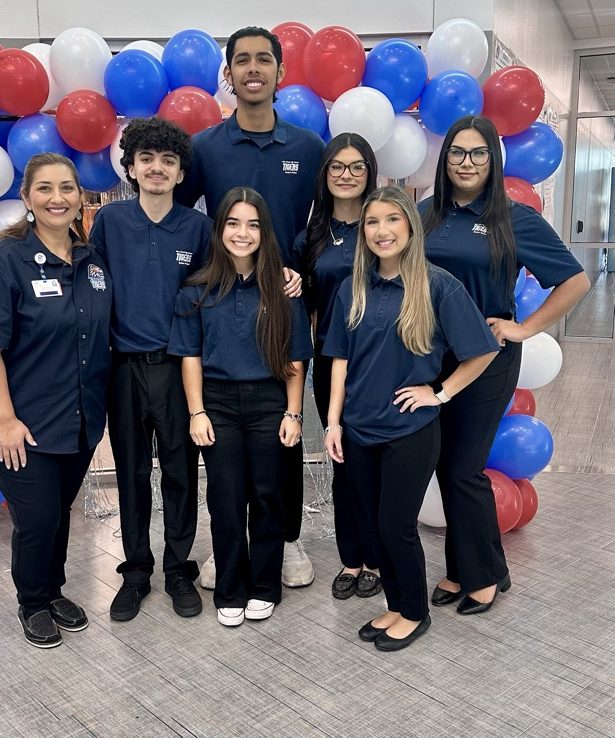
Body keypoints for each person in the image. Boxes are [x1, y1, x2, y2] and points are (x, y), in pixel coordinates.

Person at [420, 115, 590, 614]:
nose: (466, 162)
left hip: (487, 357)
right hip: (433, 356)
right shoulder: (426, 212)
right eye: (457, 152)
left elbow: (574, 281)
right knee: (445, 465)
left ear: (493, 161)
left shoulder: (513, 218)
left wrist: (524, 327)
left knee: (462, 468)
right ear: (444, 158)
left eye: (478, 153)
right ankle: (480, 568)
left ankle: (477, 578)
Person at [177, 25, 325, 590]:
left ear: (281, 73)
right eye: (242, 61)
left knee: (282, 435)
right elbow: (186, 221)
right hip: (222, 307)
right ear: (230, 75)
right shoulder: (206, 148)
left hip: (283, 308)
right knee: (227, 448)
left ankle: (286, 541)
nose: (253, 69)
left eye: (264, 59)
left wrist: (306, 282)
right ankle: (228, 548)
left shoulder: (309, 148)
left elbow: (324, 228)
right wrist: (197, 290)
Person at [324, 186, 499, 651]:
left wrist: (438, 393)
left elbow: (482, 352)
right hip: (359, 430)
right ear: (363, 233)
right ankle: (396, 604)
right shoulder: (353, 288)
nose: (382, 231)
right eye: (372, 222)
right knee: (374, 527)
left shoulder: (437, 285)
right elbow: (340, 360)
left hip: (409, 431)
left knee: (397, 526)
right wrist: (333, 423)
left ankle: (415, 613)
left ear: (410, 226)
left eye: (392, 220)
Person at [0, 153, 112, 649]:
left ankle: (53, 591)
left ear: (80, 197)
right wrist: (4, 419)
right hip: (22, 421)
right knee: (38, 518)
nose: (57, 198)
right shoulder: (4, 263)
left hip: (79, 419)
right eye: (44, 189)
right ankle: (32, 602)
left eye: (67, 188)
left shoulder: (91, 262)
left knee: (60, 512)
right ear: (27, 198)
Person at [169, 188, 313, 626]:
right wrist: (197, 412)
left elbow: (294, 359)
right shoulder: (196, 289)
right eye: (233, 223)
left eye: (252, 224)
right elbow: (189, 355)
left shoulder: (284, 290)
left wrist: (294, 413)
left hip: (270, 402)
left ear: (264, 232)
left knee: (268, 496)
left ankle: (266, 585)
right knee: (226, 498)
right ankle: (230, 588)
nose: (242, 232)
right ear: (220, 229)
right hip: (218, 405)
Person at [89, 117, 212, 623]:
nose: (157, 168)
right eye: (146, 159)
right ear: (131, 169)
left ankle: (179, 568)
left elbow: (210, 297)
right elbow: (92, 293)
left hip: (178, 370)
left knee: (181, 472)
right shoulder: (109, 223)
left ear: (182, 172)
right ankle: (136, 570)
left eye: (168, 160)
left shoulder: (199, 228)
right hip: (124, 369)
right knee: (132, 473)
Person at [293, 132, 382, 601]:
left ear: (370, 172)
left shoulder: (384, 228)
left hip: (384, 360)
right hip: (331, 359)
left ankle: (378, 557)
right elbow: (301, 306)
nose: (346, 175)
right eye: (337, 167)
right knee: (343, 458)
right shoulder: (309, 238)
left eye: (357, 166)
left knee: (373, 459)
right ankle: (353, 558)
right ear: (324, 175)